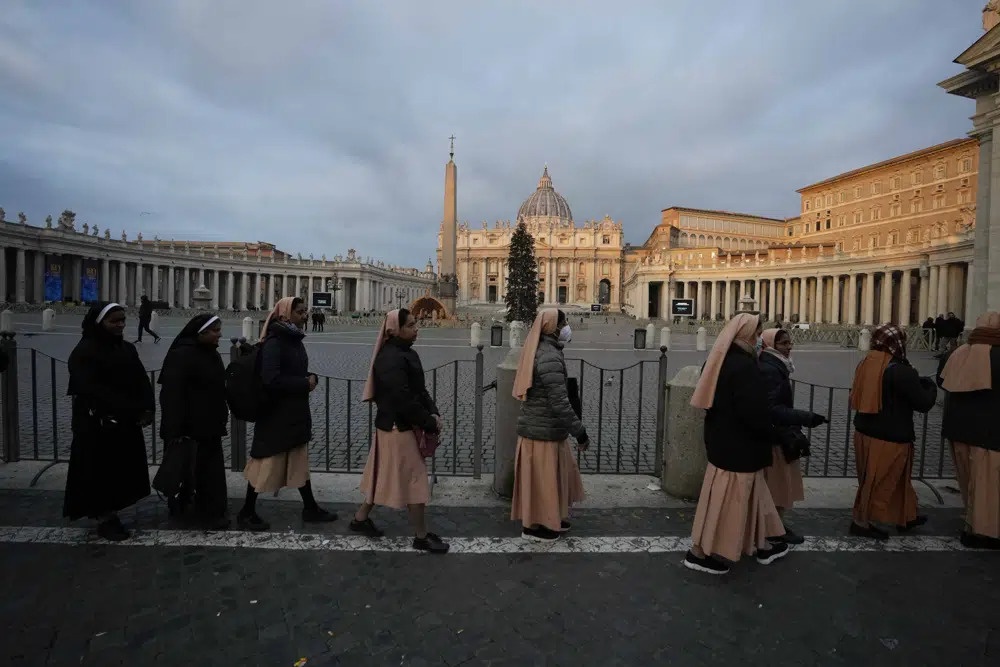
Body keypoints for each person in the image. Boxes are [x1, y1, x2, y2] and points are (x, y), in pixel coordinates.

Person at [684, 312, 787, 575]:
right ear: (747, 335)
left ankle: (760, 543)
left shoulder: (720, 360)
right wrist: (774, 434)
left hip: (723, 442)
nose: (760, 339)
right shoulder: (744, 366)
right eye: (757, 333)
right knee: (728, 505)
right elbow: (752, 412)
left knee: (749, 498)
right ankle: (702, 552)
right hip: (740, 448)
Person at [351, 309, 449, 553]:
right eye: (411, 325)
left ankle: (360, 519)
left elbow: (420, 390)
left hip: (396, 426)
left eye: (416, 324)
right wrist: (427, 421)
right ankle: (421, 536)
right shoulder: (390, 359)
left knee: (382, 475)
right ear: (396, 329)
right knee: (415, 480)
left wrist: (433, 411)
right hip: (397, 428)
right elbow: (402, 398)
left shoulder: (406, 353)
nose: (417, 329)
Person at [237, 296, 337, 530]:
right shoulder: (275, 342)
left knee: (298, 462)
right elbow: (271, 379)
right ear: (284, 315)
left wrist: (309, 377)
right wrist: (303, 383)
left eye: (305, 311)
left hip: (292, 412)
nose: (305, 315)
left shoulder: (293, 339)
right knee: (265, 462)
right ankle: (246, 511)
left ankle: (310, 507)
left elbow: (293, 370)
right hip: (277, 414)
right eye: (300, 312)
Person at [63, 302, 154, 541]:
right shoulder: (84, 351)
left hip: (124, 421)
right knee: (99, 471)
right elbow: (88, 388)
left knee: (120, 468)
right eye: (114, 321)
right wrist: (117, 408)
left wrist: (147, 408)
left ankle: (113, 508)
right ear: (99, 322)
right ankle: (104, 517)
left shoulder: (126, 348)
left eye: (122, 320)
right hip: (96, 423)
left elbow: (142, 379)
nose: (120, 325)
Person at [849, 324, 937, 540]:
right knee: (877, 482)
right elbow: (923, 403)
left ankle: (906, 516)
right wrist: (930, 387)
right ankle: (860, 522)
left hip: (865, 432)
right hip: (890, 437)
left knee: (895, 480)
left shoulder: (866, 363)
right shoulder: (901, 371)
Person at [510, 309, 588, 542]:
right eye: (564, 323)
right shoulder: (549, 356)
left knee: (551, 478)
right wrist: (580, 432)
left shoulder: (545, 350)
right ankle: (533, 527)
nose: (566, 327)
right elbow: (560, 402)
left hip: (545, 427)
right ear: (553, 327)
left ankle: (552, 516)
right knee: (543, 482)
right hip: (542, 430)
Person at [158, 313, 230, 530]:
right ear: (201, 333)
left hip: (209, 425)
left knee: (209, 471)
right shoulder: (181, 356)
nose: (220, 334)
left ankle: (211, 509)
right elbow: (171, 396)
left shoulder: (211, 353)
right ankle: (188, 508)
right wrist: (174, 429)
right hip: (188, 426)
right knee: (187, 469)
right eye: (215, 330)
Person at [938, 311, 1000, 550]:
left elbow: (942, 381)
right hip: (989, 433)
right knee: (988, 486)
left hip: (958, 431)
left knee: (968, 481)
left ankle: (970, 524)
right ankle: (982, 531)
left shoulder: (957, 353)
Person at [759, 328, 827, 544]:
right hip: (776, 436)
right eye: (783, 343)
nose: (789, 347)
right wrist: (805, 417)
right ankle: (773, 530)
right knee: (778, 487)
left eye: (790, 343)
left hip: (777, 433)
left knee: (776, 486)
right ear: (771, 345)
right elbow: (772, 408)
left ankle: (774, 526)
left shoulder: (775, 365)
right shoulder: (771, 369)